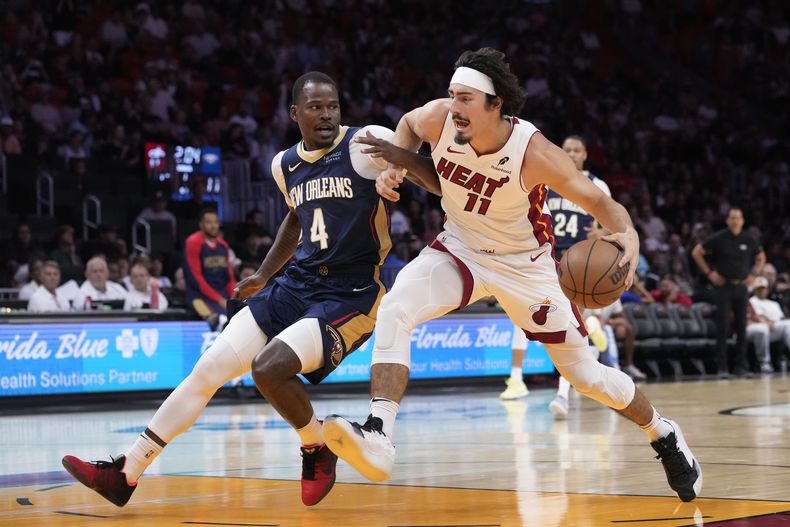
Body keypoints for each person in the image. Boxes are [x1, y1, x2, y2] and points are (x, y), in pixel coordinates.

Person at [324, 48, 701, 503]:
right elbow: (406, 126)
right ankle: (379, 432)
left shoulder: (534, 153)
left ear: (495, 103)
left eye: (465, 99)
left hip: (525, 267)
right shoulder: (439, 119)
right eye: (451, 95)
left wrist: (629, 235)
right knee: (398, 304)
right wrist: (395, 168)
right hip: (461, 246)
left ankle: (663, 433)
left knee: (585, 375)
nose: (454, 106)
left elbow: (602, 205)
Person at [62, 71, 399, 508]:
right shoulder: (284, 165)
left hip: (349, 293)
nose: (326, 114)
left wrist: (395, 169)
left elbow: (406, 141)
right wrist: (264, 273)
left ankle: (315, 449)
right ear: (295, 113)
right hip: (295, 284)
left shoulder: (364, 142)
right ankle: (127, 472)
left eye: (332, 105)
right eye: (315, 107)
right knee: (207, 371)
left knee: (268, 367)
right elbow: (296, 218)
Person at [691, 207, 765, 377]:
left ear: (743, 220)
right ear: (727, 220)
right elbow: (697, 252)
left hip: (741, 286)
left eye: (738, 218)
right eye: (732, 218)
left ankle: (741, 367)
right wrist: (709, 273)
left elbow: (761, 257)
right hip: (723, 286)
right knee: (723, 327)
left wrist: (754, 274)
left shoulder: (749, 238)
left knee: (741, 327)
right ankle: (722, 368)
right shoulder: (719, 238)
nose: (735, 221)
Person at [183, 208, 236, 320]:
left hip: (222, 294)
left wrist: (233, 298)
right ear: (201, 224)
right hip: (199, 295)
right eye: (209, 222)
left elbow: (229, 277)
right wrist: (219, 300)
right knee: (214, 317)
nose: (213, 226)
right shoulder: (193, 242)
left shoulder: (223, 245)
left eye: (216, 222)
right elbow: (196, 279)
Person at [747, 276, 790, 373]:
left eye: (763, 289)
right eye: (759, 289)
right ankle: (764, 363)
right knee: (763, 328)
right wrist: (767, 323)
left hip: (775, 328)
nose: (761, 291)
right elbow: (757, 316)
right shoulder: (752, 301)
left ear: (767, 290)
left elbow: (781, 318)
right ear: (755, 290)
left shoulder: (774, 303)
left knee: (789, 324)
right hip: (761, 327)